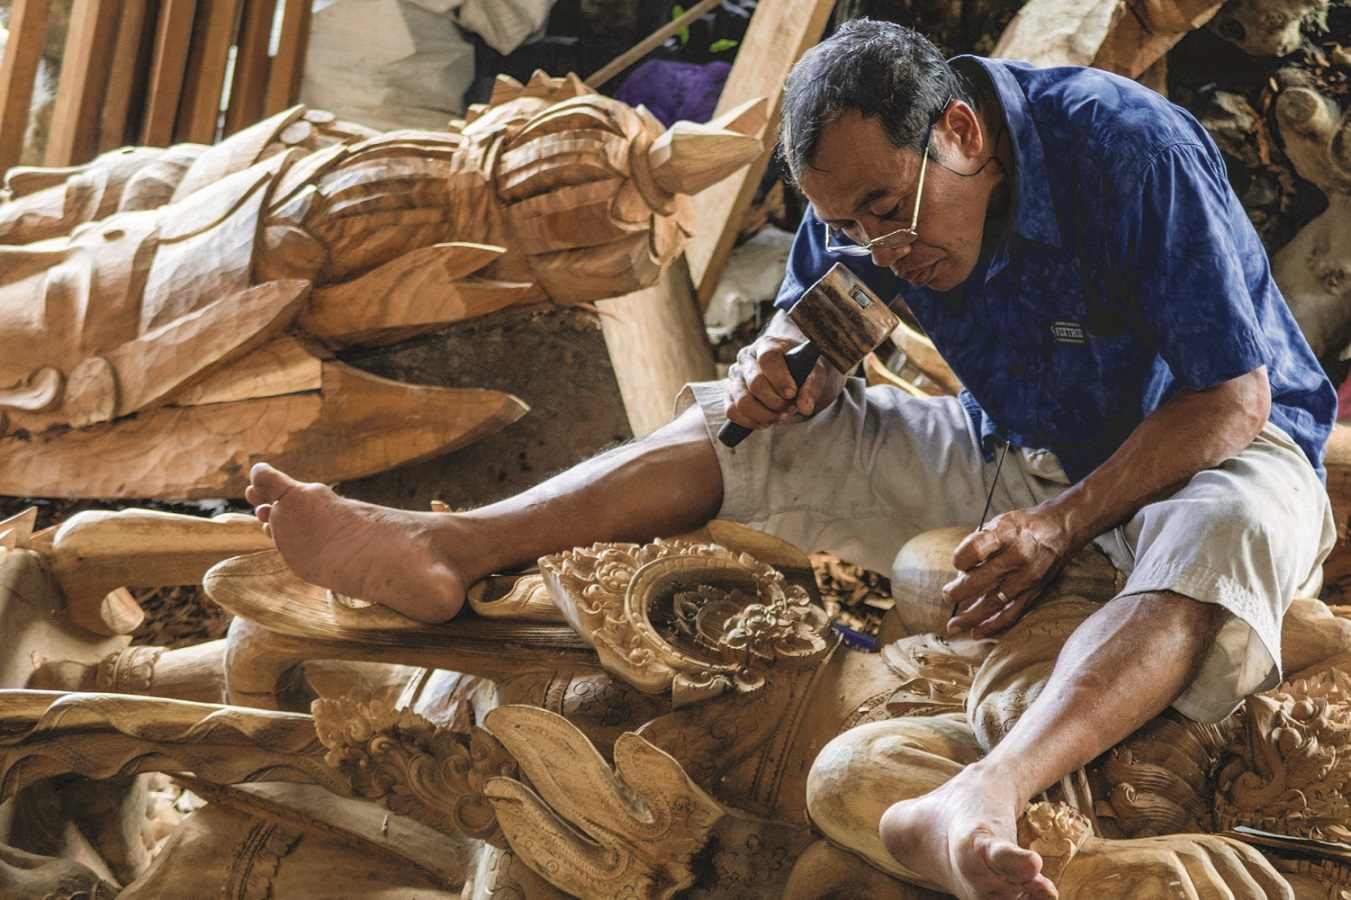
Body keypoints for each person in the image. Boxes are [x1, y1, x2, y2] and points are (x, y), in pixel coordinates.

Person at [247, 19, 1337, 900]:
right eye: (842, 222)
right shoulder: (861, 209)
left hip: (1213, 450)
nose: (879, 245)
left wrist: (1062, 526)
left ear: (960, 130)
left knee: (1225, 528)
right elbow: (820, 325)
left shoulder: (1123, 144)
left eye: (884, 211)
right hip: (1022, 450)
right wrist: (787, 372)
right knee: (737, 422)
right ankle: (449, 545)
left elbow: (1228, 399)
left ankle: (981, 796)